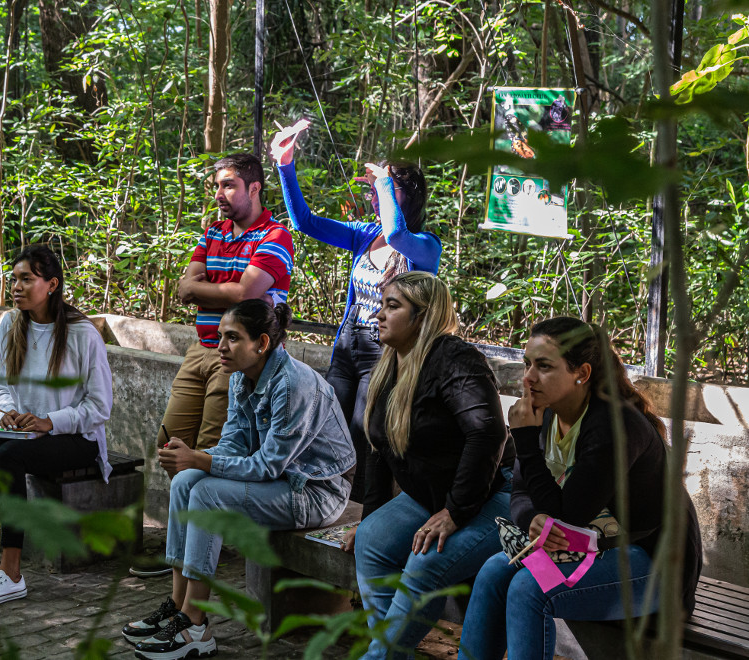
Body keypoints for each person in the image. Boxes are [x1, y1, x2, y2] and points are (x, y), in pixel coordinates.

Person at [458, 317, 703, 660]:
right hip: (591, 549)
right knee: (493, 572)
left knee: (530, 590)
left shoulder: (613, 426)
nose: (528, 377)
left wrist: (525, 440)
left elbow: (569, 514)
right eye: (528, 363)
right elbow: (521, 493)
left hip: (653, 565)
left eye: (544, 366)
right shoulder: (547, 414)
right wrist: (532, 517)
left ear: (582, 374)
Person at [122, 299, 355, 660]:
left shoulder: (293, 385)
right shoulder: (240, 378)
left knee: (207, 495)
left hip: (315, 492)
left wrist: (198, 458)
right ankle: (177, 604)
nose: (220, 347)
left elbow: (267, 466)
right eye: (220, 336)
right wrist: (192, 458)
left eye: (232, 338)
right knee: (186, 482)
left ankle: (195, 624)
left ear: (261, 343)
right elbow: (232, 444)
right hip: (279, 482)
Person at [134, 152, 295, 578]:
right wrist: (221, 288)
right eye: (217, 185)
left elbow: (247, 296)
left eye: (228, 185)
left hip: (238, 358)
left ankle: (204, 548)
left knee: (208, 451)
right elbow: (185, 289)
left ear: (254, 188)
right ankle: (185, 542)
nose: (219, 194)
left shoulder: (276, 236)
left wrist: (212, 287)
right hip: (199, 349)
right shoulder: (212, 233)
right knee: (171, 445)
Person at [270, 122, 442, 502]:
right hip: (348, 345)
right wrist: (285, 164)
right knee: (327, 426)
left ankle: (360, 515)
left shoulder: (426, 245)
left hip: (385, 352)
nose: (375, 196)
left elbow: (397, 234)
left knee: (364, 431)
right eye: (375, 189)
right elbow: (304, 222)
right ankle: (322, 503)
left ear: (408, 197)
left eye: (386, 189)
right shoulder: (365, 234)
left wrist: (383, 182)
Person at [351, 271, 514, 660]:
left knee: (425, 562)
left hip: (497, 493)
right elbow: (380, 450)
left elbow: (488, 435)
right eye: (382, 304)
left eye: (393, 306)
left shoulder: (455, 359)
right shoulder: (390, 364)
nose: (379, 314)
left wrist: (455, 512)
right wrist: (368, 517)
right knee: (372, 540)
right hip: (431, 496)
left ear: (421, 317)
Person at [0, 245, 113, 606]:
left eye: (27, 279)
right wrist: (8, 411)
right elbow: (2, 387)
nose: (17, 287)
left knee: (9, 457)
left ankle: (11, 573)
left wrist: (49, 422)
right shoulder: (10, 323)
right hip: (24, 433)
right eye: (15, 279)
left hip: (76, 439)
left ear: (51, 284)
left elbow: (100, 408)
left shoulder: (82, 333)